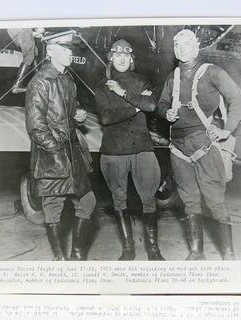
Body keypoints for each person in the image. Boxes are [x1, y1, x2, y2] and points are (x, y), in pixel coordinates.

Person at [157, 29, 241, 260]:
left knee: (215, 201)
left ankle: (228, 257)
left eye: (186, 44)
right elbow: (161, 104)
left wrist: (226, 130)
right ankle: (196, 253)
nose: (181, 49)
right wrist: (165, 112)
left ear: (196, 47)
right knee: (189, 201)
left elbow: (238, 99)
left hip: (203, 145)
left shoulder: (212, 73)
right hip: (177, 149)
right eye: (177, 45)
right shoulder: (173, 77)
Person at [25, 32, 96, 261]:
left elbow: (66, 113)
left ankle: (75, 256)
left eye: (70, 49)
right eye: (63, 49)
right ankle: (60, 260)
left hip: (72, 153)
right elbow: (35, 126)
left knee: (88, 202)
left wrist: (77, 115)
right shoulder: (40, 82)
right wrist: (56, 150)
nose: (69, 53)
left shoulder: (67, 80)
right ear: (50, 51)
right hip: (52, 155)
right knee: (53, 207)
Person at [95, 39, 164, 261]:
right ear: (111, 58)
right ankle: (128, 249)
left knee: (149, 199)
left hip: (142, 148)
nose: (122, 58)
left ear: (131, 58)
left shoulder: (141, 80)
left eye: (126, 55)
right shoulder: (103, 85)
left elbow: (152, 106)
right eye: (117, 55)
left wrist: (124, 95)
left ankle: (153, 250)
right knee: (119, 200)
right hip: (113, 151)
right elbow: (106, 117)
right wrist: (136, 105)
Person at [7, 28, 43, 94]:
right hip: (23, 29)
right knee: (29, 54)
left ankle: (38, 79)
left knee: (34, 51)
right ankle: (17, 85)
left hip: (14, 30)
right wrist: (40, 29)